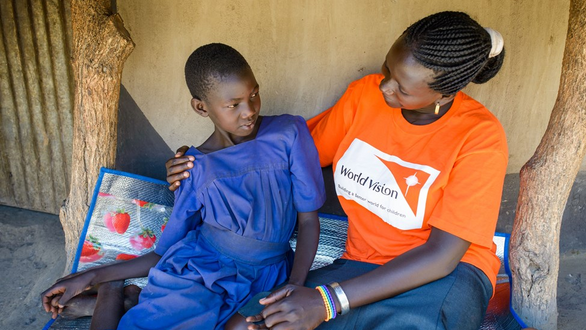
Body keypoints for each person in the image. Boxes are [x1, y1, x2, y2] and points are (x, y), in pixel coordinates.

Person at [167, 11, 510, 330]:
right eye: (387, 70)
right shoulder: (365, 97)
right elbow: (286, 152)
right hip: (360, 264)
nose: (384, 87)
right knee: (248, 324)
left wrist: (327, 301)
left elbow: (441, 257)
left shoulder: (479, 136)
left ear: (445, 92)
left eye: (401, 88)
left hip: (443, 277)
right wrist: (200, 159)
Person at [41, 43, 326, 330]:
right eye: (233, 104)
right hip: (201, 274)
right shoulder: (193, 168)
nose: (249, 111)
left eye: (254, 94)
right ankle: (112, 290)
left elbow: (309, 220)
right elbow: (164, 250)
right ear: (201, 107)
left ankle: (132, 302)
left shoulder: (289, 133)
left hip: (269, 273)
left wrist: (295, 286)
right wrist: (91, 277)